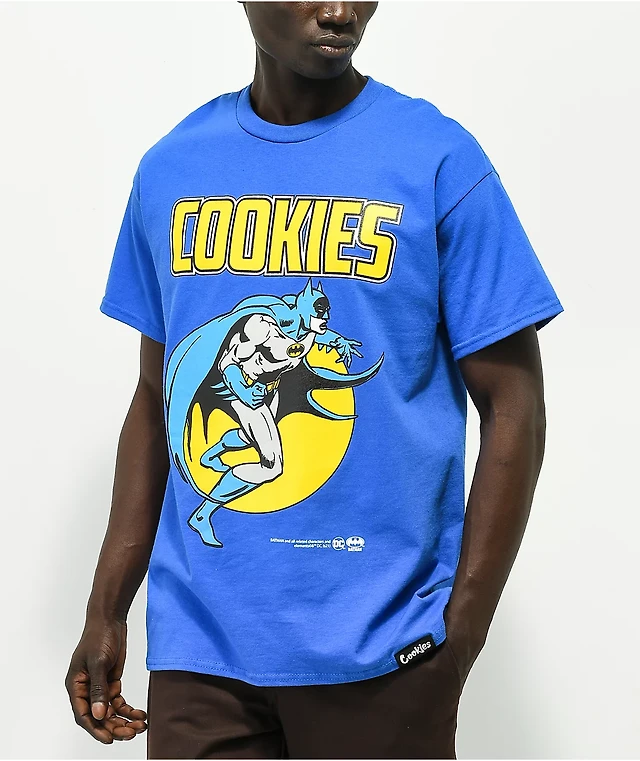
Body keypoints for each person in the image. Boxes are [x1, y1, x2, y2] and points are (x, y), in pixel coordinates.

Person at [65, 2, 564, 758]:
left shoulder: (436, 159)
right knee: (257, 454)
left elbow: (515, 403)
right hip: (200, 653)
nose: (339, 10)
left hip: (384, 654)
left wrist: (459, 636)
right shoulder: (173, 167)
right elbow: (155, 396)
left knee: (267, 456)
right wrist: (106, 607)